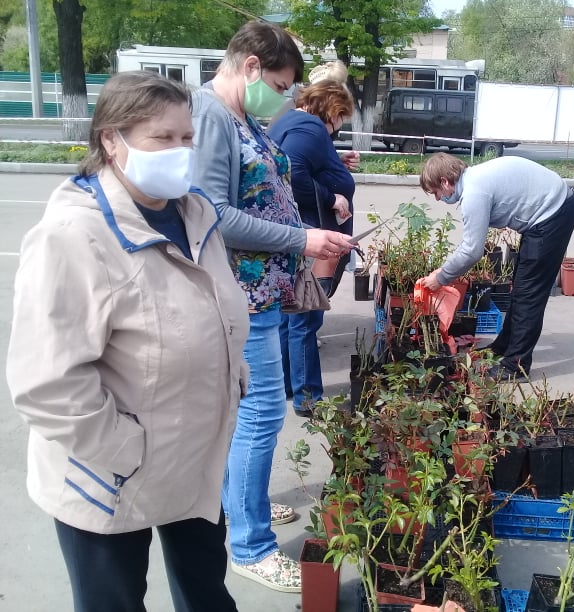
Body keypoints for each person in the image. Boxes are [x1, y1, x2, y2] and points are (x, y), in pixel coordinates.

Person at [5, 71, 249, 611]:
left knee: (207, 591)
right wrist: (125, 450)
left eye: (187, 137)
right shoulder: (73, 236)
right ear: (112, 142)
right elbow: (46, 383)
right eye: (161, 139)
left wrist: (234, 381)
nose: (180, 151)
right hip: (111, 469)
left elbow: (217, 308)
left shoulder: (196, 214)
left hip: (193, 457)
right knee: (112, 601)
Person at [190, 21, 354, 592]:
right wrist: (301, 240)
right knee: (261, 413)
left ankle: (243, 505)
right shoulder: (210, 116)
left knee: (251, 413)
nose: (287, 97)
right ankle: (251, 546)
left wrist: (305, 234)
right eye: (282, 84)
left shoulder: (240, 117)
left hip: (260, 289)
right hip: (240, 293)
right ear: (252, 67)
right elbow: (211, 213)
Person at [418, 153, 574, 380]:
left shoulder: (474, 193)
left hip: (553, 215)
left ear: (445, 181)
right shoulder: (474, 179)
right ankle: (503, 347)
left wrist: (442, 277)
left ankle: (516, 366)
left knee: (529, 296)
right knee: (521, 286)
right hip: (549, 212)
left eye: (435, 192)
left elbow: (472, 250)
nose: (437, 198)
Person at [270, 78, 356, 417]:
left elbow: (301, 164)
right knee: (305, 315)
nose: (336, 128)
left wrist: (334, 161)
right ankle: (307, 396)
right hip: (309, 238)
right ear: (330, 110)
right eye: (339, 120)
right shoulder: (309, 126)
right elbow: (292, 169)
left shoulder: (288, 121)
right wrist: (330, 197)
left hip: (291, 233)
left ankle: (287, 385)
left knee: (287, 314)